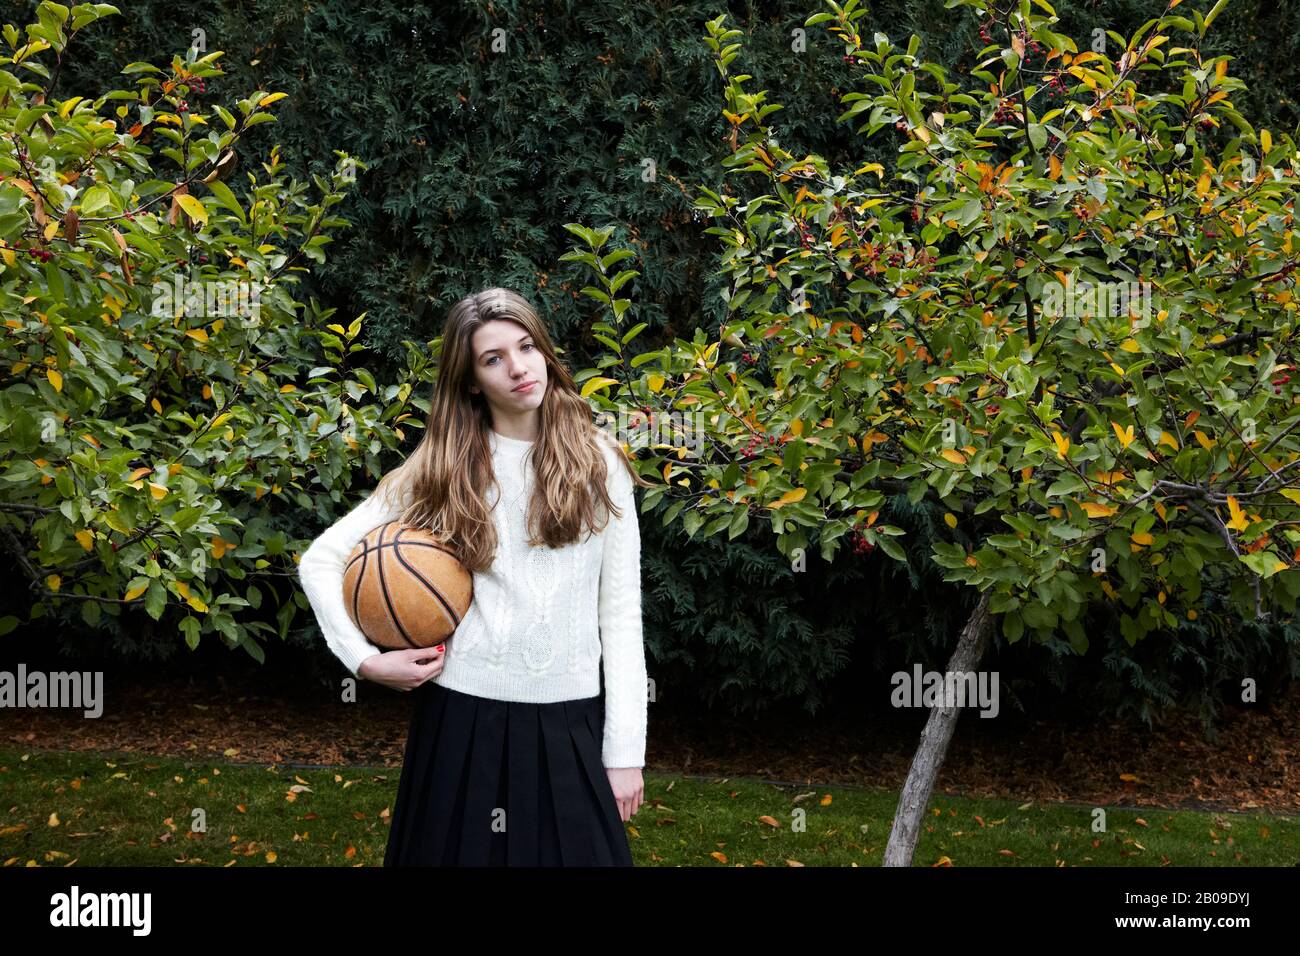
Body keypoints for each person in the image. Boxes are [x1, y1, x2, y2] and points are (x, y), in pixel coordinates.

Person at [297, 287, 651, 866]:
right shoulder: (442, 467)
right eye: (493, 358)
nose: (518, 368)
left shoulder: (600, 464)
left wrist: (625, 751)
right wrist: (362, 659)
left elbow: (620, 618)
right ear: (470, 380)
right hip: (462, 719)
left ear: (544, 353)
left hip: (570, 723)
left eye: (526, 347)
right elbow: (321, 559)